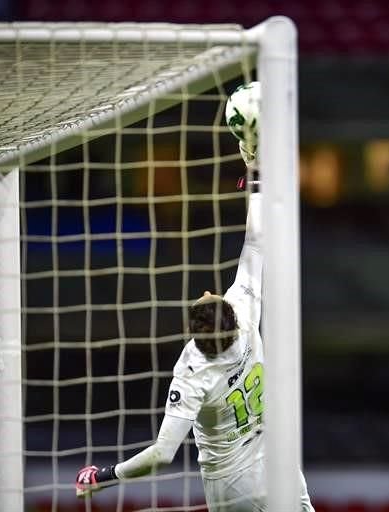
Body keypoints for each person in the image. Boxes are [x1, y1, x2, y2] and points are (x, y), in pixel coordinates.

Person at [75, 82, 314, 512]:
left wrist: (105, 476)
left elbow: (163, 454)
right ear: (230, 317)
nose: (207, 289)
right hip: (276, 463)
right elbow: (257, 241)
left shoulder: (193, 369)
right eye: (208, 295)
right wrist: (256, 167)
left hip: (231, 485)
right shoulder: (243, 308)